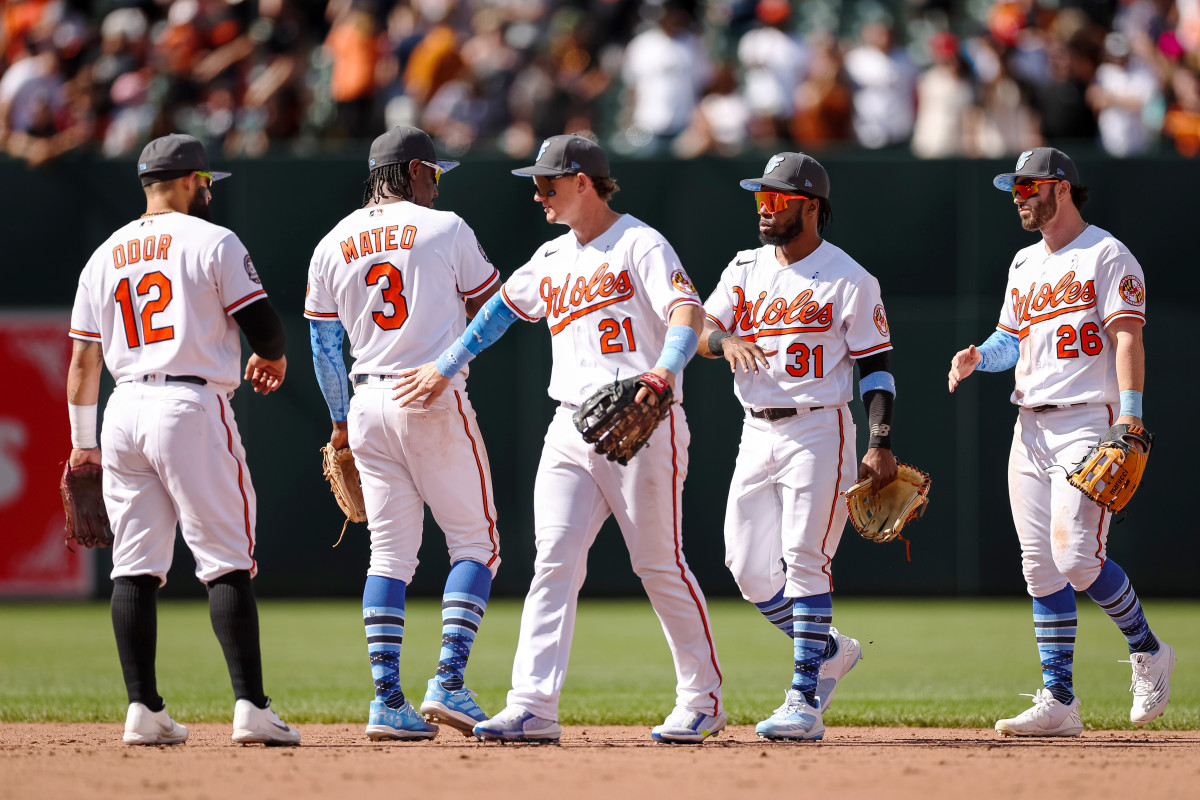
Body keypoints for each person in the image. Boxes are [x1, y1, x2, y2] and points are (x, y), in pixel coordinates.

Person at [393, 134, 725, 744]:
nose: (539, 193)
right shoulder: (551, 258)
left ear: (584, 182)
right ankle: (533, 704)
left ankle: (702, 697)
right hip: (569, 425)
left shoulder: (639, 242)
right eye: (536, 183)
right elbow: (498, 310)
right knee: (553, 562)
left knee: (657, 561)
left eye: (549, 182)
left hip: (641, 422)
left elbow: (687, 312)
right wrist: (445, 365)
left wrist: (662, 371)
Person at [66, 133, 299, 746]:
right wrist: (273, 359)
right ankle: (251, 707)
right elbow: (263, 325)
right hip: (190, 404)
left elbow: (82, 366)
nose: (209, 191)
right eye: (206, 182)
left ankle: (143, 710)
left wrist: (82, 446)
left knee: (135, 563)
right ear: (191, 179)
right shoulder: (211, 240)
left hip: (122, 412)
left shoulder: (105, 253)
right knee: (225, 555)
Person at [948, 147, 1174, 736]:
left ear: (1061, 188)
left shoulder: (1106, 254)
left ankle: (1148, 649)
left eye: (1028, 188)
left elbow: (1127, 338)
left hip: (1086, 419)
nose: (1019, 198)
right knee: (1039, 567)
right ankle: (1060, 701)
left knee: (1077, 558)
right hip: (1030, 424)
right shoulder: (1023, 263)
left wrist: (1130, 417)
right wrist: (979, 355)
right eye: (1015, 190)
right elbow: (1010, 340)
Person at [304, 126, 502, 741]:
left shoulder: (332, 240)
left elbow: (322, 347)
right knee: (477, 544)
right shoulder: (445, 228)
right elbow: (495, 306)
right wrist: (447, 355)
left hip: (365, 401)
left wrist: (339, 424)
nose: (437, 182)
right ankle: (448, 680)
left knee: (389, 555)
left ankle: (387, 698)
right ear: (415, 169)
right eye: (434, 171)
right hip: (431, 392)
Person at [696, 152, 895, 741]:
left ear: (810, 206)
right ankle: (829, 649)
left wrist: (880, 442)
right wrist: (723, 340)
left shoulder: (850, 278)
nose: (765, 209)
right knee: (748, 567)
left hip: (819, 427)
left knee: (805, 558)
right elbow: (698, 329)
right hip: (755, 427)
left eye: (777, 199)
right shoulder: (743, 268)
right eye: (761, 198)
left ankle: (804, 699)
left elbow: (876, 369)